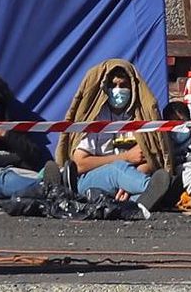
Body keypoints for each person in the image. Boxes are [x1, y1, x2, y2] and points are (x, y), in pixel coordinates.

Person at [56, 59, 173, 216]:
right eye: (113, 85)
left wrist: (127, 184)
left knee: (130, 189)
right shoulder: (95, 118)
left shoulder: (139, 117)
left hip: (129, 180)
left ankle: (136, 201)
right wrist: (125, 157)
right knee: (118, 169)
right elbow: (80, 163)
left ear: (132, 88)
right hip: (91, 178)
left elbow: (150, 160)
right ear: (105, 87)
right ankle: (161, 190)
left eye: (123, 85)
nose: (118, 90)